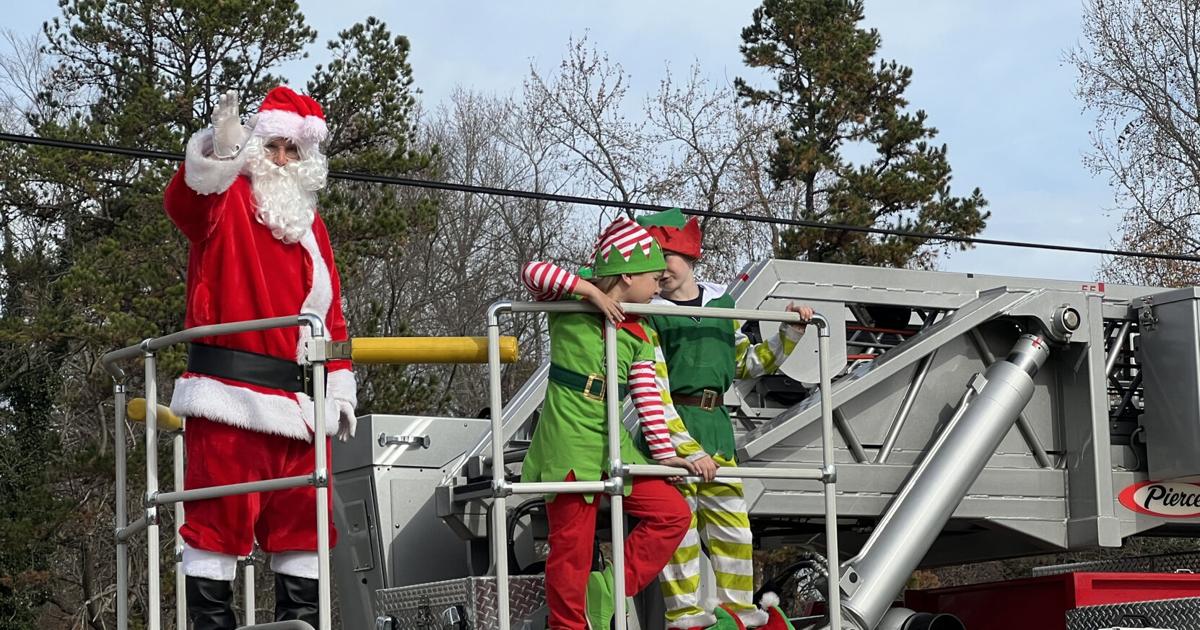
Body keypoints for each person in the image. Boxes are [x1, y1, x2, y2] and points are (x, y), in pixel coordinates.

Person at [163, 86, 357, 630]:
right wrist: (218, 155)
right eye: (271, 145)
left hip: (301, 410)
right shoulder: (226, 200)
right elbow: (186, 204)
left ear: (307, 159)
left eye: (291, 151)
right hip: (231, 402)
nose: (279, 159)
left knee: (306, 528)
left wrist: (339, 386)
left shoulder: (313, 229)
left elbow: (332, 320)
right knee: (216, 528)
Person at [636, 208, 813, 629]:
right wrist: (683, 449)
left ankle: (737, 616)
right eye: (653, 260)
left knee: (735, 531)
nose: (660, 270)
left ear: (688, 256)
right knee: (680, 535)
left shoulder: (722, 303)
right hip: (671, 428)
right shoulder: (648, 311)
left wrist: (789, 334)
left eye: (666, 257)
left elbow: (746, 363)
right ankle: (685, 618)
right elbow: (655, 390)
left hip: (717, 428)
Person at [519, 217, 696, 630]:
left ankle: (613, 588)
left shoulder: (641, 330)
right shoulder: (567, 303)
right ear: (628, 274)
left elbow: (648, 400)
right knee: (572, 548)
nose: (659, 286)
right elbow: (533, 272)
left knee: (673, 512)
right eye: (653, 278)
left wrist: (667, 459)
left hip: (616, 447)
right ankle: (569, 627)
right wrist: (591, 293)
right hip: (568, 443)